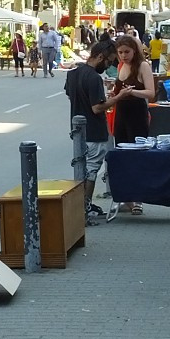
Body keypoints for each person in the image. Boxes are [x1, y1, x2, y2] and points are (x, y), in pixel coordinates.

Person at [65, 40, 119, 223]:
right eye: (109, 61)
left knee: (82, 168)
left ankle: (82, 207)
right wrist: (119, 97)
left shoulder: (73, 73)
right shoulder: (94, 78)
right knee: (91, 170)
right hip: (95, 130)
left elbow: (70, 94)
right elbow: (97, 108)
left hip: (78, 131)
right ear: (101, 57)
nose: (109, 66)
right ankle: (84, 208)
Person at [111, 35, 156, 216]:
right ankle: (126, 197)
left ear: (134, 50)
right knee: (122, 155)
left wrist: (132, 92)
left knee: (137, 155)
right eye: (120, 52)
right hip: (121, 113)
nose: (123, 56)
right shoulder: (121, 66)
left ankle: (138, 198)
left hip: (136, 114)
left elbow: (151, 92)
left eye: (127, 52)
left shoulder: (142, 66)